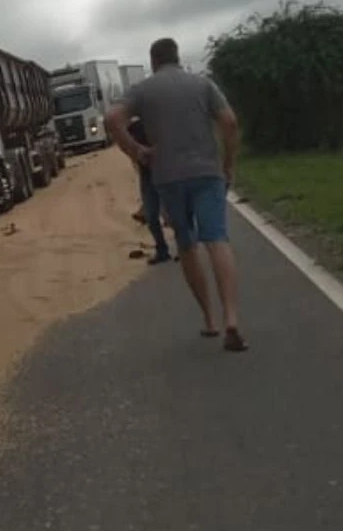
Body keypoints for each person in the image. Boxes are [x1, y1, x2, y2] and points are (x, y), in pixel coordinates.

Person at [106, 38, 248, 352]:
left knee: (186, 244)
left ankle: (210, 320)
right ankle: (232, 319)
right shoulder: (202, 84)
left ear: (153, 61)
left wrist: (137, 150)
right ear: (178, 58)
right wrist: (228, 163)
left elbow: (112, 119)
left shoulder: (143, 91)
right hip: (207, 172)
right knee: (217, 240)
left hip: (168, 177)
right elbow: (230, 122)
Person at [126, 115, 171, 265]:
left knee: (170, 212)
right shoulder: (131, 128)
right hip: (147, 173)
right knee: (152, 215)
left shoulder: (155, 121)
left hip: (163, 168)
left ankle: (186, 247)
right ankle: (162, 249)